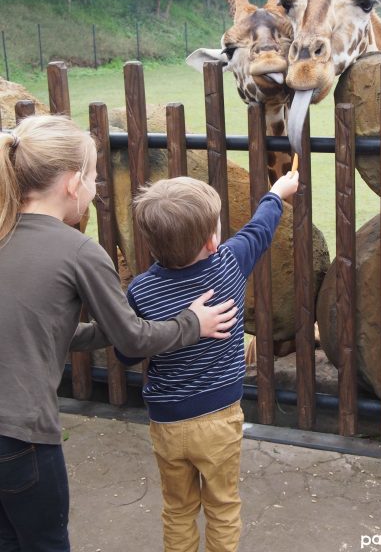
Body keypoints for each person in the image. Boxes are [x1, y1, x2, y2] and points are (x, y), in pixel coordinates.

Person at [0, 114, 238, 552]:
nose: (96, 188)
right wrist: (192, 324)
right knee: (44, 542)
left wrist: (109, 327)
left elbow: (49, 330)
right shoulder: (78, 250)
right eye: (93, 177)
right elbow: (131, 341)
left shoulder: (4, 232)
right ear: (73, 184)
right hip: (21, 434)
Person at [115, 171, 299, 552]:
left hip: (167, 420)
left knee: (179, 509)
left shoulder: (142, 290)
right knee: (222, 506)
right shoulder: (228, 266)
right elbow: (259, 231)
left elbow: (127, 352)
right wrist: (277, 193)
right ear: (213, 241)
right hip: (218, 419)